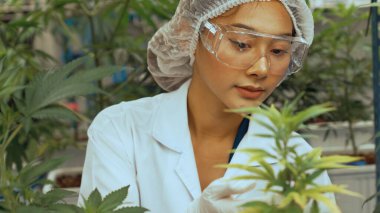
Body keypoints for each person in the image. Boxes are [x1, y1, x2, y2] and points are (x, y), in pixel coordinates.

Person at [79, 0, 335, 212]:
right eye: (242, 43)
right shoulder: (121, 130)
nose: (262, 68)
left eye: (279, 51)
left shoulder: (295, 158)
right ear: (191, 33)